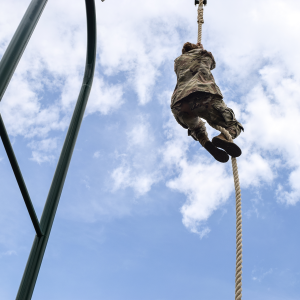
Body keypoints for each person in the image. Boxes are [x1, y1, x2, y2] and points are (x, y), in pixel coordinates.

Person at [171, 42, 244, 163]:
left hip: (179, 104)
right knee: (234, 126)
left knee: (198, 128)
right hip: (201, 95)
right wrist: (202, 50)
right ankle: (222, 138)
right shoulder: (202, 54)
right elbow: (210, 63)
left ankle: (206, 143)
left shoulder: (178, 62)